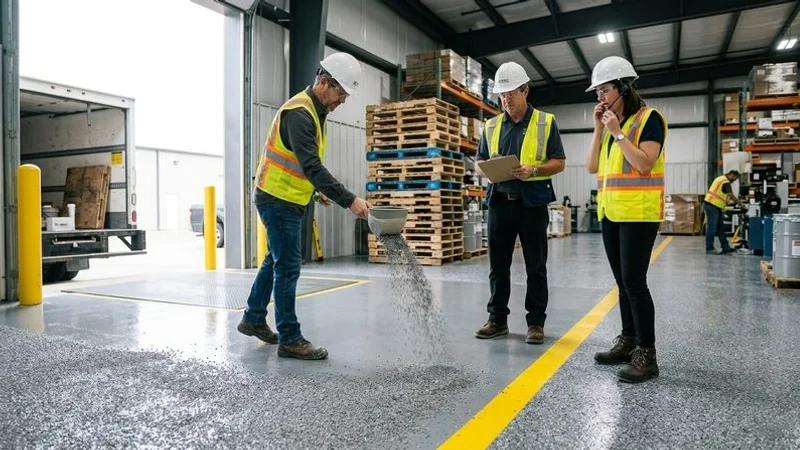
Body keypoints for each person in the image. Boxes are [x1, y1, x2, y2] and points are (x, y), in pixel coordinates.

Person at [237, 52, 371, 360]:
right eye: (341, 93)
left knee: (275, 260)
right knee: (288, 267)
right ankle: (290, 337)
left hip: (288, 197)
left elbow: (299, 165)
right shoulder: (300, 113)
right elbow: (312, 166)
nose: (343, 101)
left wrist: (314, 192)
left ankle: (254, 318)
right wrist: (350, 201)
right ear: (325, 83)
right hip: (278, 199)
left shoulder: (313, 110)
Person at [584, 56, 668, 383]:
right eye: (598, 92)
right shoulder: (608, 127)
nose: (600, 97)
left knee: (635, 281)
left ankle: (647, 354)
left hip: (639, 213)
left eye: (605, 90)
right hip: (611, 213)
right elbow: (592, 167)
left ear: (623, 88)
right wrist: (598, 129)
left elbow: (645, 164)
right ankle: (629, 340)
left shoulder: (649, 119)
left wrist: (618, 134)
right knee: (622, 283)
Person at [474, 62, 566, 345]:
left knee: (535, 266)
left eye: (511, 93)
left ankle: (535, 322)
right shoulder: (491, 126)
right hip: (500, 202)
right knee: (497, 266)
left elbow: (559, 162)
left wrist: (533, 170)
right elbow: (478, 161)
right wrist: (487, 169)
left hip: (532, 204)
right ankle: (497, 319)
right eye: (502, 95)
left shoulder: (545, 122)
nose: (506, 100)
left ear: (526, 90)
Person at [704, 170, 744, 254]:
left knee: (720, 228)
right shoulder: (725, 181)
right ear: (732, 175)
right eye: (735, 178)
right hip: (712, 205)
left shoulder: (720, 179)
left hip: (714, 206)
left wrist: (727, 202)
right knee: (712, 227)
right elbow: (730, 194)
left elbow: (722, 194)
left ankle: (725, 247)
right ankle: (709, 247)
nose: (734, 180)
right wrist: (740, 203)